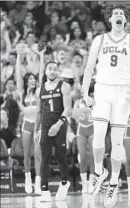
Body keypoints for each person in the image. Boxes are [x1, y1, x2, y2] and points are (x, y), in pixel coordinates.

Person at [82, 4, 130, 207]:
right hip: (102, 89)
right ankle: (99, 171)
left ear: (126, 20)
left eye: (122, 14)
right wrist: (85, 93)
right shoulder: (99, 40)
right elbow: (89, 68)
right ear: (109, 20)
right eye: (115, 13)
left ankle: (114, 183)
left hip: (122, 91)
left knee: (117, 142)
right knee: (98, 138)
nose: (118, 16)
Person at [34, 61, 72, 202]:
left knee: (60, 156)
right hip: (45, 125)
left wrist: (58, 124)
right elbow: (38, 112)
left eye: (55, 69)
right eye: (50, 68)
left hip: (59, 124)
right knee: (45, 156)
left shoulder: (64, 86)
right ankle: (44, 190)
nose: (52, 71)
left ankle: (64, 182)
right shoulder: (40, 90)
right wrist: (36, 130)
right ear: (45, 71)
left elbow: (68, 108)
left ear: (58, 72)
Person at [15, 43, 42, 195]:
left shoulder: (38, 91)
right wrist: (19, 56)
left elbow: (42, 71)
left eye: (34, 78)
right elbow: (18, 74)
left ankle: (37, 183)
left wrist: (41, 55)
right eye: (30, 78)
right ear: (27, 81)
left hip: (37, 125)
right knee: (27, 154)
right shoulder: (21, 93)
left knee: (38, 154)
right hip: (26, 125)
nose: (33, 80)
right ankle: (27, 180)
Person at [72, 82, 95, 193]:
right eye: (81, 90)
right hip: (81, 130)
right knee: (82, 157)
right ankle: (84, 184)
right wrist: (83, 112)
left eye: (84, 90)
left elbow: (95, 114)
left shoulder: (94, 101)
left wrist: (83, 112)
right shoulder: (77, 102)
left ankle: (91, 183)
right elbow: (74, 114)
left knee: (92, 156)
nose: (82, 92)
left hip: (92, 130)